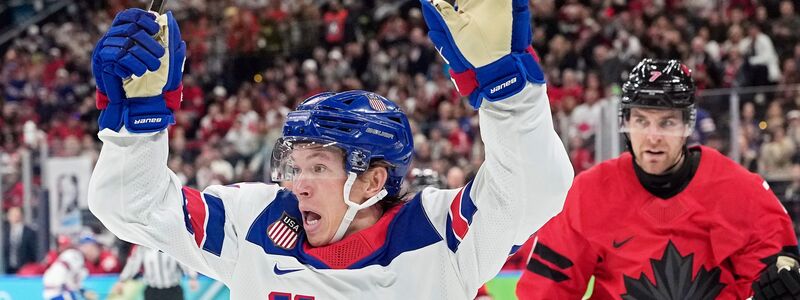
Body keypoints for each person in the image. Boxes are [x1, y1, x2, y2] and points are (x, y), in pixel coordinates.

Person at [87, 1, 572, 298]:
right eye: (294, 166)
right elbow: (132, 206)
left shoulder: (438, 234)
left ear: (373, 181)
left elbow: (536, 191)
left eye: (318, 167)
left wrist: (506, 87)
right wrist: (137, 124)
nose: (297, 185)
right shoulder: (251, 221)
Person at [515, 59, 800, 299]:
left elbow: (777, 276)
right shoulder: (589, 193)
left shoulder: (740, 191)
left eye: (667, 122)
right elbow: (545, 289)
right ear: (626, 123)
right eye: (641, 120)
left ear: (687, 124)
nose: (653, 137)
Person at [113, 245, 198, 300]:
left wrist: (192, 277)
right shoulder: (143, 247)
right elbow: (133, 264)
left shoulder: (173, 246)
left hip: (173, 289)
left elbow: (184, 262)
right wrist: (122, 280)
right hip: (153, 291)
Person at [2, 206, 38, 274]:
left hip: (25, 270)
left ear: (21, 215)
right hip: (8, 269)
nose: (14, 217)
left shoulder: (29, 232)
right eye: (12, 214)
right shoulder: (5, 233)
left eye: (16, 214)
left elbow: (34, 251)